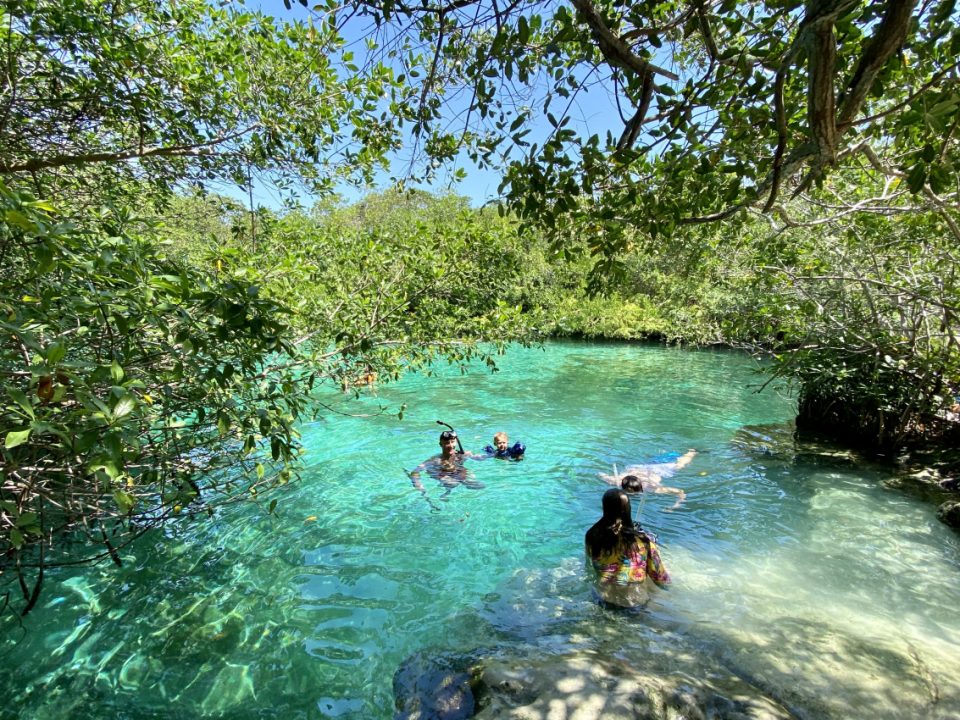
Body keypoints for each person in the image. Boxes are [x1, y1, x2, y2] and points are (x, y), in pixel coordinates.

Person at [585, 488, 670, 608]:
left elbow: (589, 569)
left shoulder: (592, 536)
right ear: (628, 509)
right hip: (634, 604)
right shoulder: (643, 541)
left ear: (604, 508)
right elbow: (660, 579)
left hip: (602, 600)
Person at [598, 449, 696, 510]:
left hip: (659, 469)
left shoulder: (650, 487)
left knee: (679, 465)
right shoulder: (617, 481)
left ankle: (692, 451)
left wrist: (676, 505)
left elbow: (680, 492)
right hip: (647, 466)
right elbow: (600, 474)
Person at [409, 429, 484, 495]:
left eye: (452, 442)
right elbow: (415, 472)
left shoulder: (462, 454)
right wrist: (419, 485)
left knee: (477, 485)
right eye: (447, 443)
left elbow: (478, 458)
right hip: (441, 472)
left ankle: (448, 492)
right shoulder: (436, 460)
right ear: (440, 444)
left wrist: (493, 454)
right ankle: (447, 491)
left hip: (457, 470)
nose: (451, 446)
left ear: (456, 443)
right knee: (452, 483)